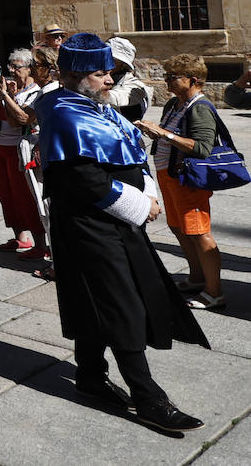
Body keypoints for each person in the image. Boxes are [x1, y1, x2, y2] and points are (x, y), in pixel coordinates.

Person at [40, 33, 208, 434]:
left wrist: (147, 189)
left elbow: (132, 150)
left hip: (114, 221)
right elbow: (82, 179)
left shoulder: (96, 105)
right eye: (101, 74)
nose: (109, 80)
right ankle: (148, 398)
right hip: (89, 224)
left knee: (93, 300)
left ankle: (91, 377)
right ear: (78, 75)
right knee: (121, 305)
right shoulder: (65, 113)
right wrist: (139, 204)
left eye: (110, 73)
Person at [133, 54, 225, 311]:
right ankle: (197, 277)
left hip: (189, 180)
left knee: (199, 232)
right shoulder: (174, 103)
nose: (167, 82)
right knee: (178, 227)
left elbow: (203, 147)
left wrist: (164, 133)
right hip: (170, 175)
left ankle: (215, 292)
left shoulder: (201, 108)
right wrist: (156, 132)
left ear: (193, 80)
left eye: (173, 77)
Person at [0, 49, 48, 261]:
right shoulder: (11, 87)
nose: (11, 70)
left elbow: (21, 119)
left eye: (16, 66)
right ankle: (20, 237)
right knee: (6, 193)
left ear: (30, 68)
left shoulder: (35, 92)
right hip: (1, 143)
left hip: (20, 146)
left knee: (25, 196)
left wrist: (7, 96)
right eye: (10, 66)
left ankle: (40, 244)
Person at [107, 37, 154, 123]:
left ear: (122, 64)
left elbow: (117, 98)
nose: (106, 61)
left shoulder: (135, 86)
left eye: (112, 59)